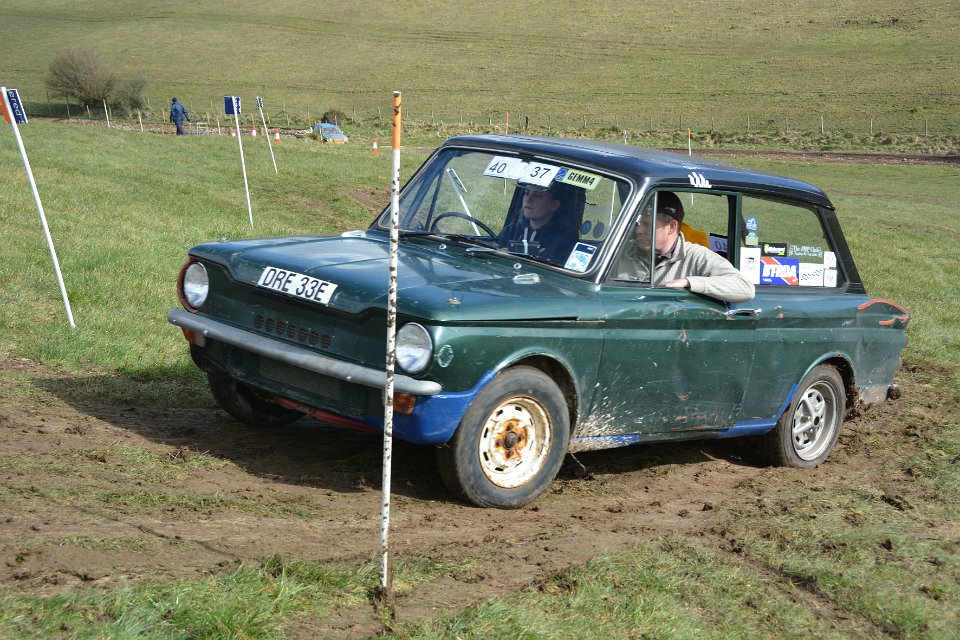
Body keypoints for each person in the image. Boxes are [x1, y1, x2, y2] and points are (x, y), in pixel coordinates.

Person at [615, 191, 755, 303]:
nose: (639, 230)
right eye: (640, 224)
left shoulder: (696, 256)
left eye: (648, 224)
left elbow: (745, 287)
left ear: (671, 227)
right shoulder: (624, 252)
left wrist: (688, 282)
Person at [497, 182, 581, 265]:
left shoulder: (566, 242)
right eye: (526, 193)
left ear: (554, 205)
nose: (529, 200)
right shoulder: (510, 231)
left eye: (538, 196)